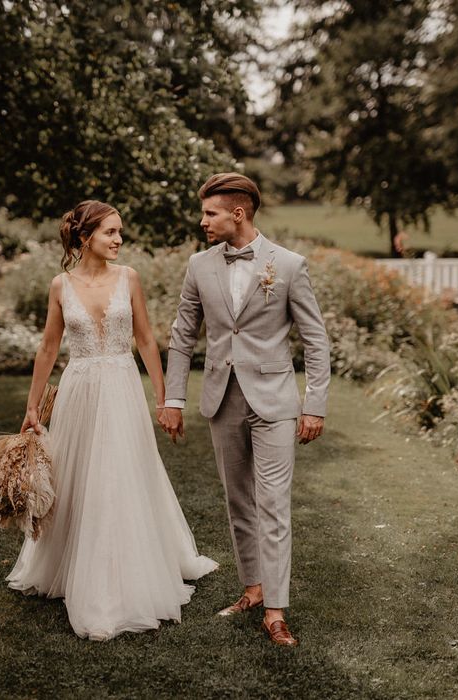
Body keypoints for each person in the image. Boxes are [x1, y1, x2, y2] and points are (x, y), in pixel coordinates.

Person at [6, 200, 217, 641]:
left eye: (121, 232)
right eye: (111, 232)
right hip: (80, 388)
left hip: (122, 387)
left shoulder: (129, 278)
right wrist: (31, 406)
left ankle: (128, 570)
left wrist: (165, 397)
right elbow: (48, 348)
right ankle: (76, 569)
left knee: (123, 474)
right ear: (85, 238)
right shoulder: (60, 286)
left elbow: (144, 339)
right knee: (82, 477)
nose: (119, 239)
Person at [161, 173, 331, 647]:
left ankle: (275, 611)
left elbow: (315, 340)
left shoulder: (290, 265)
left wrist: (313, 404)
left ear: (238, 213)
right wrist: (173, 398)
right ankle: (252, 589)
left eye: (210, 213)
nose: (203, 222)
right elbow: (182, 337)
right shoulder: (198, 266)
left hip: (275, 400)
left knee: (273, 504)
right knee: (239, 502)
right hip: (222, 397)